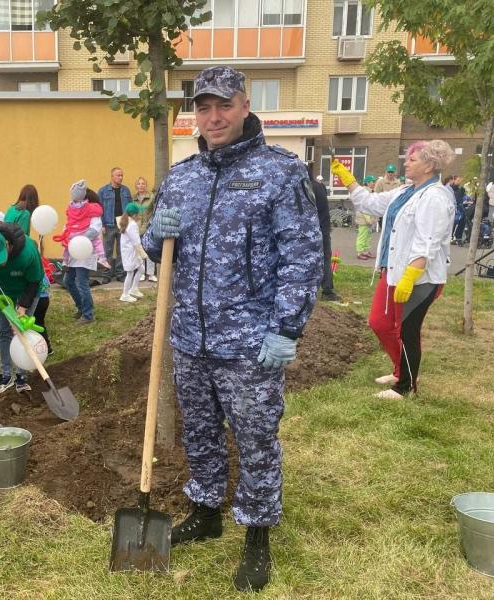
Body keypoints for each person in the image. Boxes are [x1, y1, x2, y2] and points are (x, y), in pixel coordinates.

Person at [141, 66, 322, 593]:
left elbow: (302, 256)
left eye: (224, 105)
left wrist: (286, 327)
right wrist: (155, 232)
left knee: (256, 439)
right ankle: (206, 511)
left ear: (245, 106)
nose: (213, 117)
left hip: (249, 343)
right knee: (200, 434)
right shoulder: (183, 176)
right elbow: (157, 253)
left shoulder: (279, 172)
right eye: (203, 107)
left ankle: (257, 536)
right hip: (190, 340)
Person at [331, 140, 455, 400]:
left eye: (412, 159)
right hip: (393, 271)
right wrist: (346, 177)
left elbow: (427, 241)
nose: (405, 163)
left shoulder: (435, 197)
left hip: (418, 277)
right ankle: (401, 370)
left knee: (407, 329)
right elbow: (369, 203)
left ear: (429, 165)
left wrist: (410, 276)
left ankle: (406, 386)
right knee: (379, 322)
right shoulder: (405, 191)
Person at [0, 223, 43, 395]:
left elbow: (34, 281)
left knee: (21, 333)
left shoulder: (27, 253)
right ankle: (6, 374)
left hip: (25, 291)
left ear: (7, 244)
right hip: (2, 294)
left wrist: (22, 307)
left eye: (1, 257)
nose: (0, 265)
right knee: (4, 331)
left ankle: (21, 375)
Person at [61, 188, 103, 325]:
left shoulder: (93, 213)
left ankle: (88, 314)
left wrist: (77, 238)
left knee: (82, 282)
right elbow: (70, 226)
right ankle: (82, 307)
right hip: (73, 252)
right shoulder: (75, 212)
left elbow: (94, 231)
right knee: (68, 281)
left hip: (85, 252)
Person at [53, 180, 109, 269]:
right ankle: (102, 258)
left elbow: (94, 230)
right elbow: (99, 210)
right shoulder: (90, 209)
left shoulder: (71, 208)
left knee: (81, 278)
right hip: (77, 248)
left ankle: (65, 260)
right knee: (97, 242)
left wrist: (71, 235)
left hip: (84, 253)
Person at [98, 167, 133, 278]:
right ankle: (106, 275)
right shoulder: (103, 191)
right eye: (118, 175)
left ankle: (120, 274)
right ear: (112, 176)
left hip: (122, 225)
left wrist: (129, 222)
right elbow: (99, 209)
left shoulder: (126, 190)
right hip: (108, 225)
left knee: (121, 250)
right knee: (107, 251)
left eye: (122, 175)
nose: (120, 177)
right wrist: (101, 224)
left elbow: (130, 208)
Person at [311, 171, 339, 301]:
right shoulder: (319, 186)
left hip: (309, 230)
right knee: (325, 259)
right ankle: (327, 290)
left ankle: (312, 288)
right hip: (323, 228)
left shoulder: (302, 187)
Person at [118, 202, 146, 302]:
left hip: (129, 251)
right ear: (134, 214)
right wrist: (143, 254)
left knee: (141, 268)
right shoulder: (132, 224)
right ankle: (125, 294)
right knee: (130, 273)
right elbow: (136, 242)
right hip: (131, 252)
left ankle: (134, 289)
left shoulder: (125, 221)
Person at [133, 176, 157, 282]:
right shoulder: (133, 199)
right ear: (136, 186)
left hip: (148, 227)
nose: (141, 185)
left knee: (149, 250)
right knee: (140, 251)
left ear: (146, 185)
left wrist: (151, 223)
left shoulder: (151, 197)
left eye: (143, 183)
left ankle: (151, 273)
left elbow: (154, 211)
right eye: (139, 184)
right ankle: (141, 272)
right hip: (137, 228)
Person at [355, 176, 377, 260]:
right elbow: (363, 207)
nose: (374, 183)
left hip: (369, 218)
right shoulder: (365, 192)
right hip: (364, 219)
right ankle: (359, 252)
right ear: (367, 183)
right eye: (372, 181)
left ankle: (365, 251)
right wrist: (368, 219)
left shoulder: (370, 191)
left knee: (368, 236)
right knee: (362, 235)